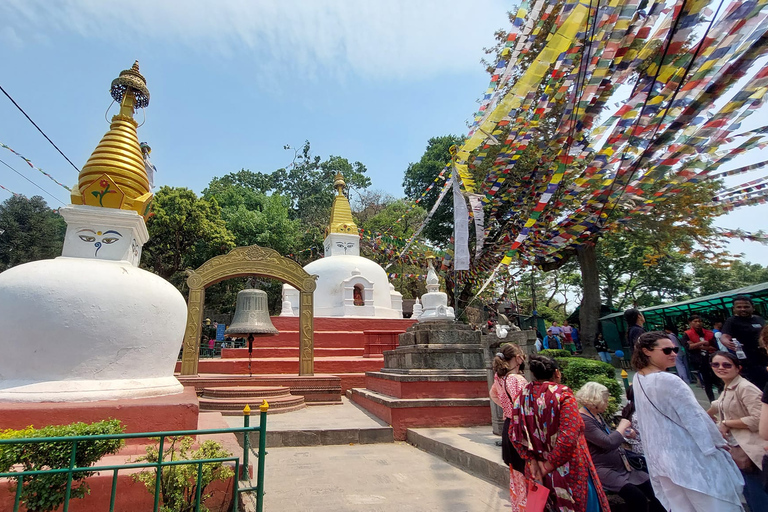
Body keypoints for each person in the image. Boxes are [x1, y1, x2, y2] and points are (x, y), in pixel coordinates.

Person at [632, 331, 744, 511]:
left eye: (675, 349)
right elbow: (694, 417)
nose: (674, 354)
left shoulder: (638, 378)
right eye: (667, 350)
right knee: (716, 504)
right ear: (647, 351)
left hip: (661, 459)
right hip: (691, 456)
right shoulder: (669, 380)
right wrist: (717, 443)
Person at [511, 355, 610, 512]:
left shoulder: (522, 395)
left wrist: (532, 461)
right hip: (568, 469)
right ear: (557, 373)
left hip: (538, 470)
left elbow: (515, 435)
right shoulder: (562, 395)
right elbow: (568, 438)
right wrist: (548, 465)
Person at [576, 382, 665, 512]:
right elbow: (608, 442)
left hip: (622, 466)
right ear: (596, 401)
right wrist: (621, 427)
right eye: (605, 401)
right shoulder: (584, 419)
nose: (607, 403)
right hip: (605, 470)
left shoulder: (596, 415)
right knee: (637, 498)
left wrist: (625, 434)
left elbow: (610, 436)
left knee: (656, 492)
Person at [706, 351, 768, 512]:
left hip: (752, 452)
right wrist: (704, 417)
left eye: (727, 365)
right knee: (750, 494)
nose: (721, 368)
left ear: (738, 368)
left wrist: (727, 423)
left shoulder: (745, 388)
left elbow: (758, 419)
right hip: (738, 451)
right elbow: (718, 405)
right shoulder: (728, 386)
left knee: (758, 498)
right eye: (716, 364)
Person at [489, 344, 528, 509]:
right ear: (517, 357)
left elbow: (493, 395)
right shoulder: (516, 379)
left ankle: (519, 506)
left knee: (517, 477)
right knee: (526, 475)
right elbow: (526, 407)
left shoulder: (499, 378)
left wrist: (506, 408)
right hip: (521, 428)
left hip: (509, 425)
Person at [722, 295, 768, 390]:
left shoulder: (759, 319)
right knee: (757, 389)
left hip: (764, 359)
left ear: (752, 307)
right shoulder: (731, 321)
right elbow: (725, 336)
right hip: (748, 363)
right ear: (734, 309)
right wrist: (726, 342)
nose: (743, 309)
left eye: (746, 306)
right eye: (739, 307)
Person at [680, 315, 720, 402]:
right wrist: (703, 343)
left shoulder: (709, 333)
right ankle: (712, 401)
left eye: (699, 321)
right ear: (690, 323)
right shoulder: (688, 334)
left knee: (718, 381)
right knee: (707, 383)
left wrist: (696, 345)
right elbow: (688, 347)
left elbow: (714, 347)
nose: (698, 323)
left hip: (712, 359)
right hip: (700, 361)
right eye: (695, 321)